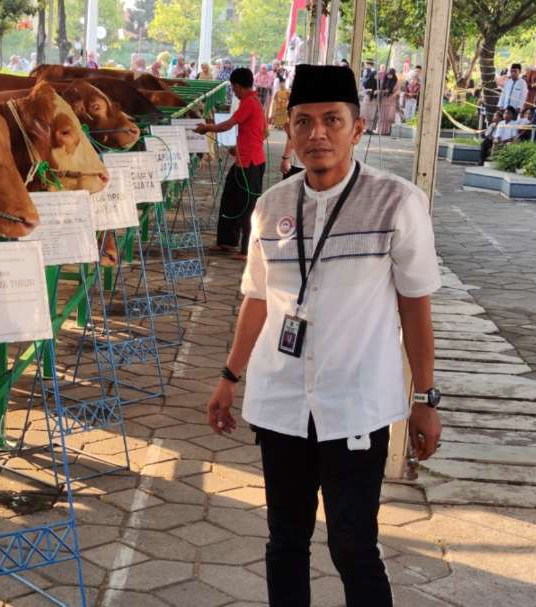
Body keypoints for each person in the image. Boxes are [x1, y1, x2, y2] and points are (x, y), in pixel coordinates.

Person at [205, 63, 442, 607]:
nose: (317, 134)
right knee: (284, 542)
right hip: (281, 401)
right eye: (304, 122)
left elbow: (415, 307)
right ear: (288, 130)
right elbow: (258, 299)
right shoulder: (271, 207)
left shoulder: (397, 203)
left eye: (332, 120)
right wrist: (228, 377)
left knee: (354, 545)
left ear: (357, 129)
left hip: (355, 405)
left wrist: (426, 397)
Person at [194, 67, 267, 259]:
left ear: (237, 86)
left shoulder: (249, 102)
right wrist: (239, 146)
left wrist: (208, 128)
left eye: (233, 88)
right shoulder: (255, 102)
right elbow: (262, 132)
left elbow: (229, 124)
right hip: (246, 160)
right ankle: (227, 241)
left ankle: (247, 249)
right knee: (229, 199)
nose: (233, 92)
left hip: (250, 164)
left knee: (246, 206)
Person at [377, 67, 398, 135]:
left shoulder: (396, 81)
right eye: (388, 74)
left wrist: (392, 94)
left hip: (391, 100)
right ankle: (381, 131)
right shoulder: (384, 80)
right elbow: (381, 88)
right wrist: (383, 91)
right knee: (382, 116)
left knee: (389, 116)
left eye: (391, 74)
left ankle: (388, 131)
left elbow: (397, 91)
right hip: (384, 100)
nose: (389, 76)